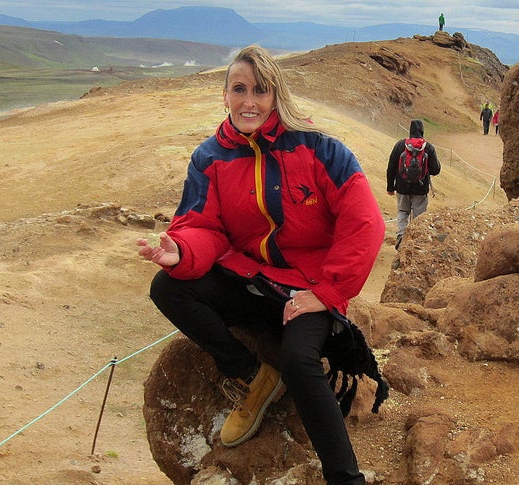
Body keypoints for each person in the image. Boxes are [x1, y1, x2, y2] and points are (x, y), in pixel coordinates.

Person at [136, 45, 384, 485]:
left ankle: (346, 479)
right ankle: (252, 377)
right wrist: (182, 251)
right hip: (253, 283)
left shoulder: (320, 149)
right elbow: (202, 225)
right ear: (225, 95)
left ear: (275, 95)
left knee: (299, 359)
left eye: (260, 90)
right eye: (239, 89)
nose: (249, 100)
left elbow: (364, 224)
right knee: (167, 286)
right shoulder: (209, 158)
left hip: (308, 289)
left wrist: (326, 293)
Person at [386, 119, 441, 249]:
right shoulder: (428, 147)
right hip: (421, 188)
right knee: (419, 215)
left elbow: (391, 167)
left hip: (402, 187)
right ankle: (416, 241)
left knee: (402, 211)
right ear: (422, 131)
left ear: (410, 130)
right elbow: (436, 170)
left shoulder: (400, 145)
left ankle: (401, 236)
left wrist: (390, 187)